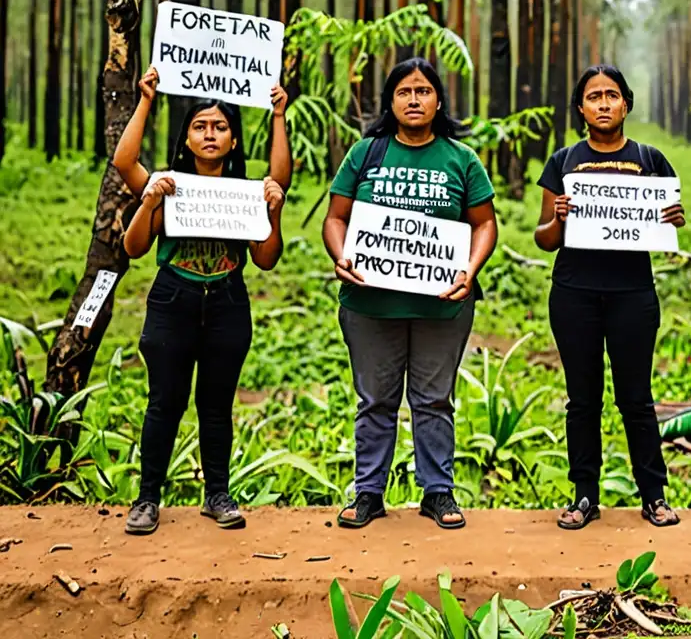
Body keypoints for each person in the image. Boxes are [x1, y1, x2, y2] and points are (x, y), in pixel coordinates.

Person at [112, 66, 293, 535]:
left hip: (228, 301)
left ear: (234, 140)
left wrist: (278, 119)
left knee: (216, 404)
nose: (210, 134)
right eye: (200, 126)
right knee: (163, 403)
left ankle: (217, 495)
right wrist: (147, 100)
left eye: (220, 126)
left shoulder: (249, 192)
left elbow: (267, 258)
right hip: (174, 298)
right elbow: (132, 240)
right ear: (187, 138)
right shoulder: (165, 184)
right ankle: (148, 498)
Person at [322, 58, 498, 530]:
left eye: (423, 91)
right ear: (390, 102)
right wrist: (341, 257)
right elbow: (336, 218)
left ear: (439, 101)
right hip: (371, 303)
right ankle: (368, 494)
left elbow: (484, 224)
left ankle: (438, 492)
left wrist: (470, 268)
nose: (414, 99)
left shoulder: (461, 159)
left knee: (434, 398)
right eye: (404, 92)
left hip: (443, 304)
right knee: (375, 399)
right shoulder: (365, 153)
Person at [534, 64, 686, 530]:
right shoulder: (563, 161)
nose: (603, 103)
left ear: (626, 104)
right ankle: (584, 496)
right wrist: (558, 218)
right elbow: (543, 239)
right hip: (574, 293)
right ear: (580, 108)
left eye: (612, 95)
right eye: (594, 96)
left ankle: (654, 497)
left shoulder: (650, 158)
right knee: (582, 400)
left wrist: (672, 219)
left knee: (636, 399)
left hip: (633, 294)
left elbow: (665, 223)